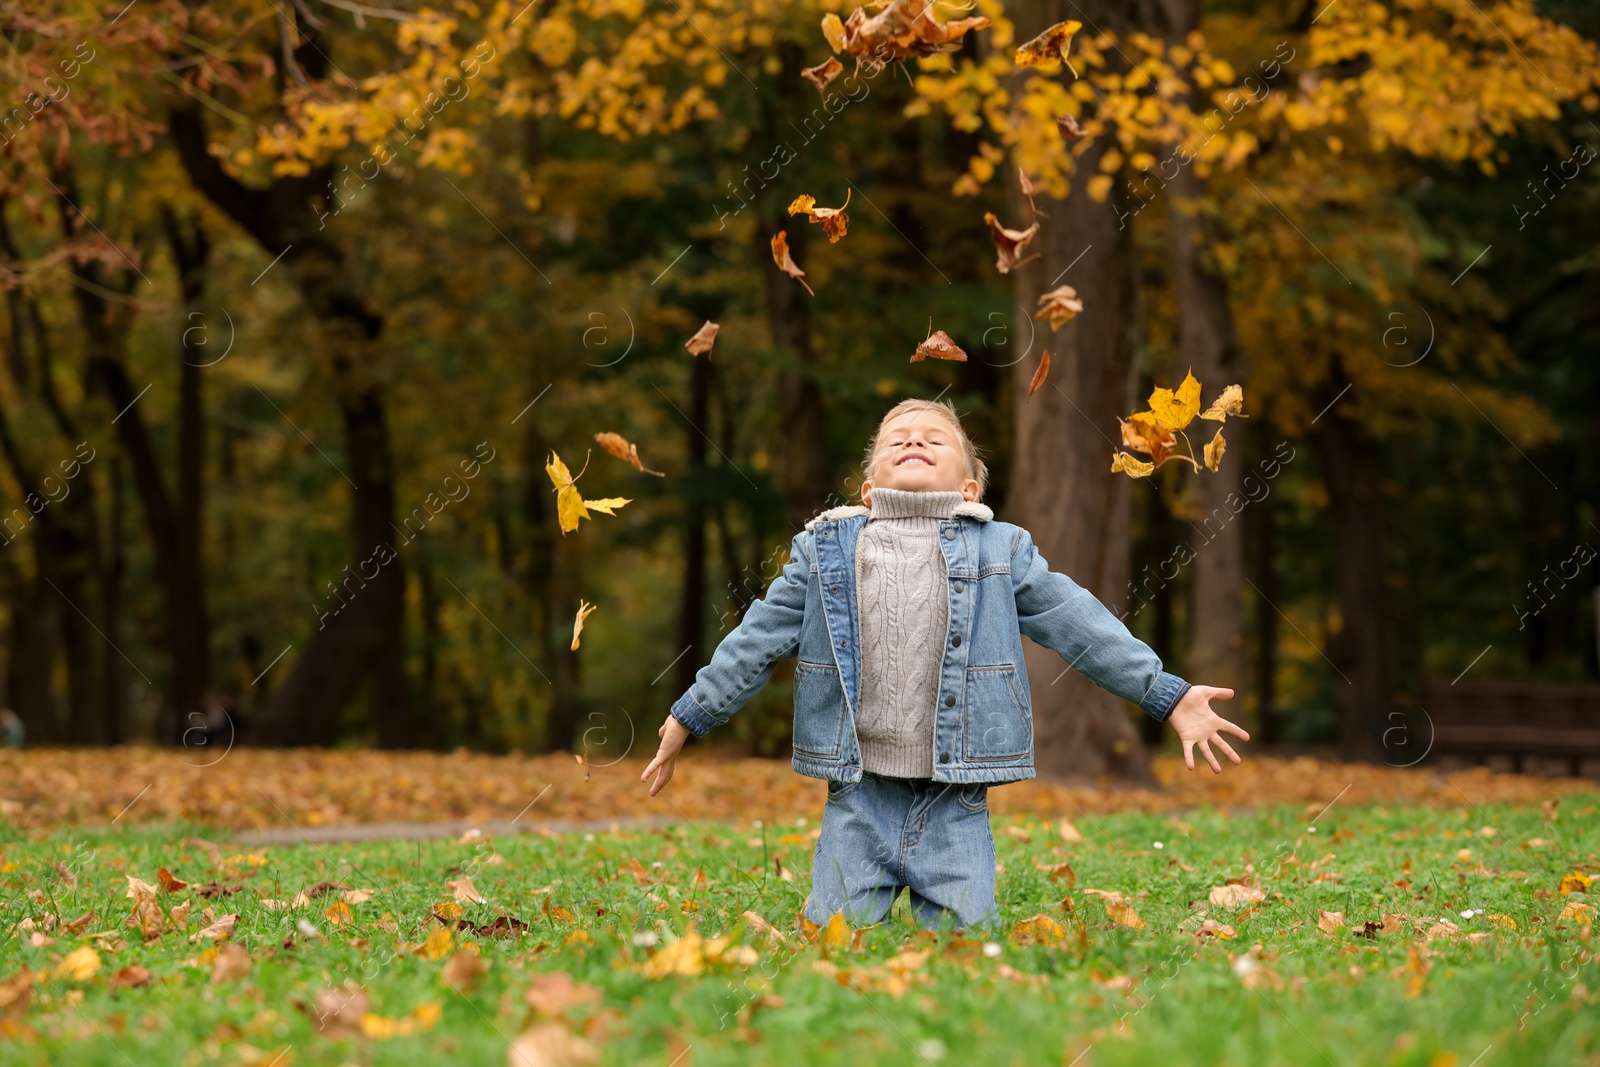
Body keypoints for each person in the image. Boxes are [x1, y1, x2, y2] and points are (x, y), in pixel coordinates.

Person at [641, 398, 1248, 933]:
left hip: (955, 800)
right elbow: (757, 637)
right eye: (896, 440)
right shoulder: (825, 549)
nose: (913, 442)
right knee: (831, 946)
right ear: (867, 488)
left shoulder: (1001, 549)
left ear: (970, 489)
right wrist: (692, 713)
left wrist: (1165, 693)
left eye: (935, 439)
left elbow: (1078, 623)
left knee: (967, 950)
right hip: (858, 796)